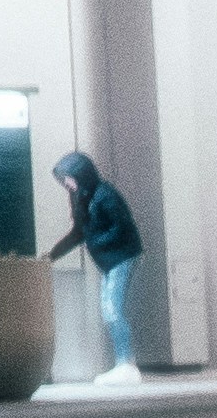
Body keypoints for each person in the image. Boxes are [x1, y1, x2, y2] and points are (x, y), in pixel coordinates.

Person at [49, 146, 147, 380]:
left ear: (81, 175)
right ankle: (125, 364)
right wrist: (51, 255)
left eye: (69, 179)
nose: (67, 185)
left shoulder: (105, 195)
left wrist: (95, 240)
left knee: (112, 309)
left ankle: (126, 365)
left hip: (121, 257)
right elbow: (78, 233)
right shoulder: (82, 197)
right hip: (111, 260)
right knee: (109, 310)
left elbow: (121, 227)